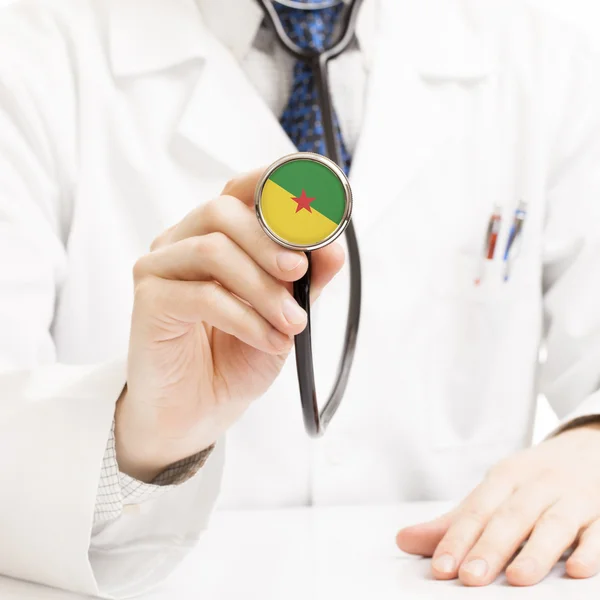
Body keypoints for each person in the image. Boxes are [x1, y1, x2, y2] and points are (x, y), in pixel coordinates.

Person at [1, 0, 600, 596]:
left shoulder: (550, 60)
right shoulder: (30, 56)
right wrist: (142, 442)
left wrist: (591, 441)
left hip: (459, 578)